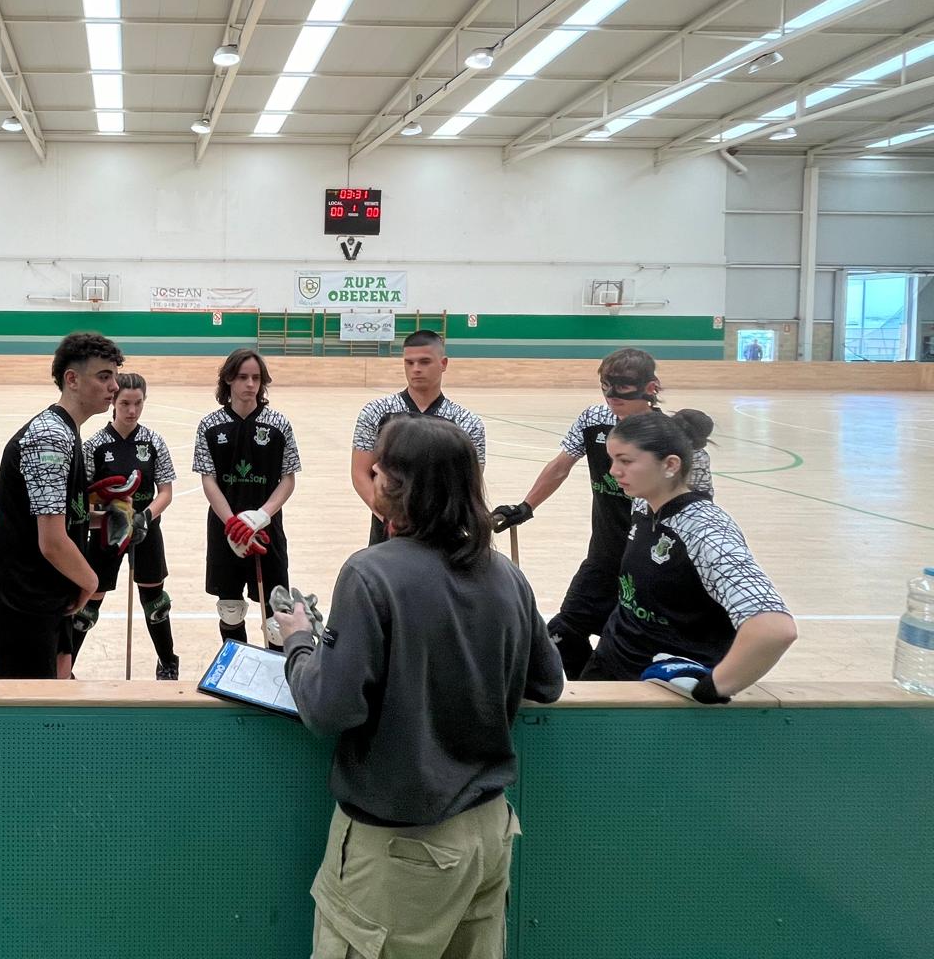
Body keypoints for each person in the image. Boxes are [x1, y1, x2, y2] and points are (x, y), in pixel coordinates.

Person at [277, 415, 564, 959]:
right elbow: (547, 683)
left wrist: (298, 643)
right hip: (489, 833)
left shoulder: (370, 574)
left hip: (400, 850)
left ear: (399, 486)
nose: (373, 474)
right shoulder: (506, 574)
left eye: (381, 469)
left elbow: (328, 708)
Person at [491, 347, 714, 678]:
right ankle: (594, 690)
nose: (612, 394)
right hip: (603, 558)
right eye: (605, 384)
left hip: (649, 566)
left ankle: (607, 694)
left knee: (624, 654)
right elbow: (560, 466)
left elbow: (699, 511)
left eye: (623, 385)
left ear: (650, 387)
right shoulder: (593, 420)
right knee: (561, 634)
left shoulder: (671, 440)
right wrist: (526, 507)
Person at [586, 410, 796, 700]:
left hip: (659, 695)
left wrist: (715, 687)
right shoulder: (643, 507)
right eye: (612, 460)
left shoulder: (706, 530)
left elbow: (773, 629)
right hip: (610, 664)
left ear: (670, 464)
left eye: (626, 461)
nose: (613, 471)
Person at [0, 331, 123, 679]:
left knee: (59, 680)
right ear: (71, 379)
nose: (115, 387)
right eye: (104, 376)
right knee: (30, 710)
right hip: (24, 598)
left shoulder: (67, 431)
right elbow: (52, 540)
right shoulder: (50, 437)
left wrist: (106, 518)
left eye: (115, 377)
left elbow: (58, 515)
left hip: (48, 590)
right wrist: (90, 582)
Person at [193, 347, 300, 649]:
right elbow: (209, 480)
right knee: (230, 609)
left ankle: (278, 676)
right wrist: (233, 525)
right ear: (228, 379)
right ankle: (236, 671)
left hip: (267, 531)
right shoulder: (210, 426)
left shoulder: (279, 425)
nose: (250, 384)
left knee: (277, 619)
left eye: (256, 378)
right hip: (224, 531)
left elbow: (288, 479)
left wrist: (260, 515)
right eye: (242, 377)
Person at [76, 372, 180, 679]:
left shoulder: (154, 441)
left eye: (138, 403)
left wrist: (143, 518)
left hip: (146, 530)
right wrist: (110, 515)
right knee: (88, 602)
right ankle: (63, 665)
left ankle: (167, 662)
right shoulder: (94, 444)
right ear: (113, 402)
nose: (131, 410)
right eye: (125, 403)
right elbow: (85, 495)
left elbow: (166, 493)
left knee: (155, 601)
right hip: (107, 531)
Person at [352, 329, 485, 546]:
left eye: (424, 362)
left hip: (444, 534)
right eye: (409, 362)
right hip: (387, 532)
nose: (416, 369)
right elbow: (360, 473)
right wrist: (389, 517)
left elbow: (469, 481)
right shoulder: (375, 412)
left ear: (443, 363)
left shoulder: (466, 422)